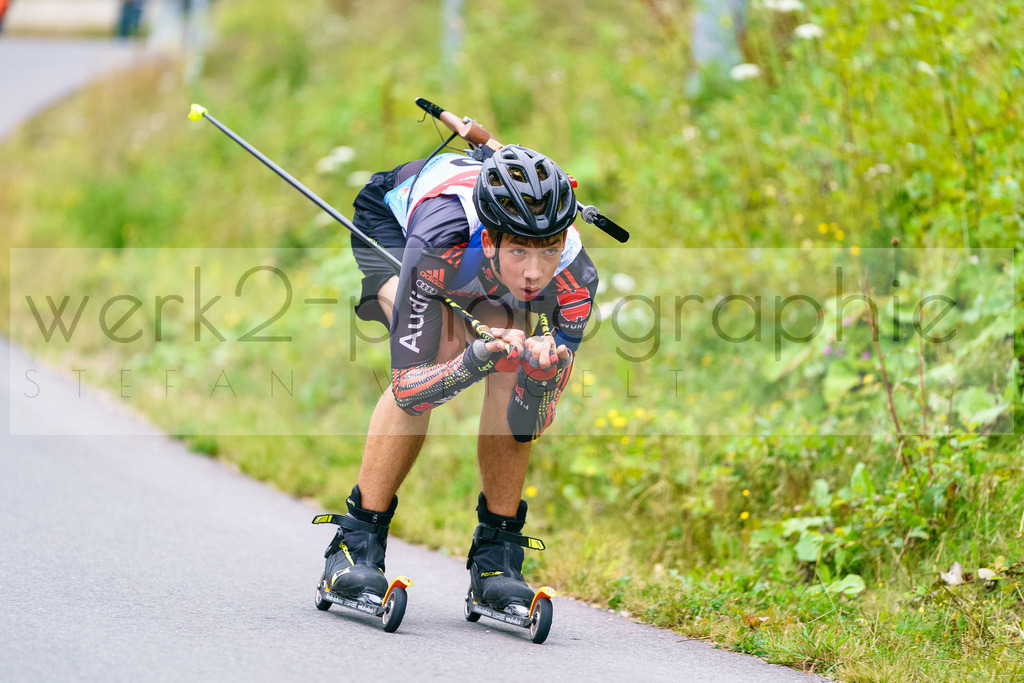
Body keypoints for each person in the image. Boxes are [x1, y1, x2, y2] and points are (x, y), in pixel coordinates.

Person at [319, 144, 598, 614]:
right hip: (396, 225)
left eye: (548, 251)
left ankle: (496, 560)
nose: (535, 273)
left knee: (515, 359)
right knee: (444, 347)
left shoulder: (576, 275)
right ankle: (356, 543)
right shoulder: (440, 233)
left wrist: (540, 375)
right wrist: (472, 361)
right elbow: (410, 386)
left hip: (477, 263)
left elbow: (530, 420)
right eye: (519, 252)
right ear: (492, 242)